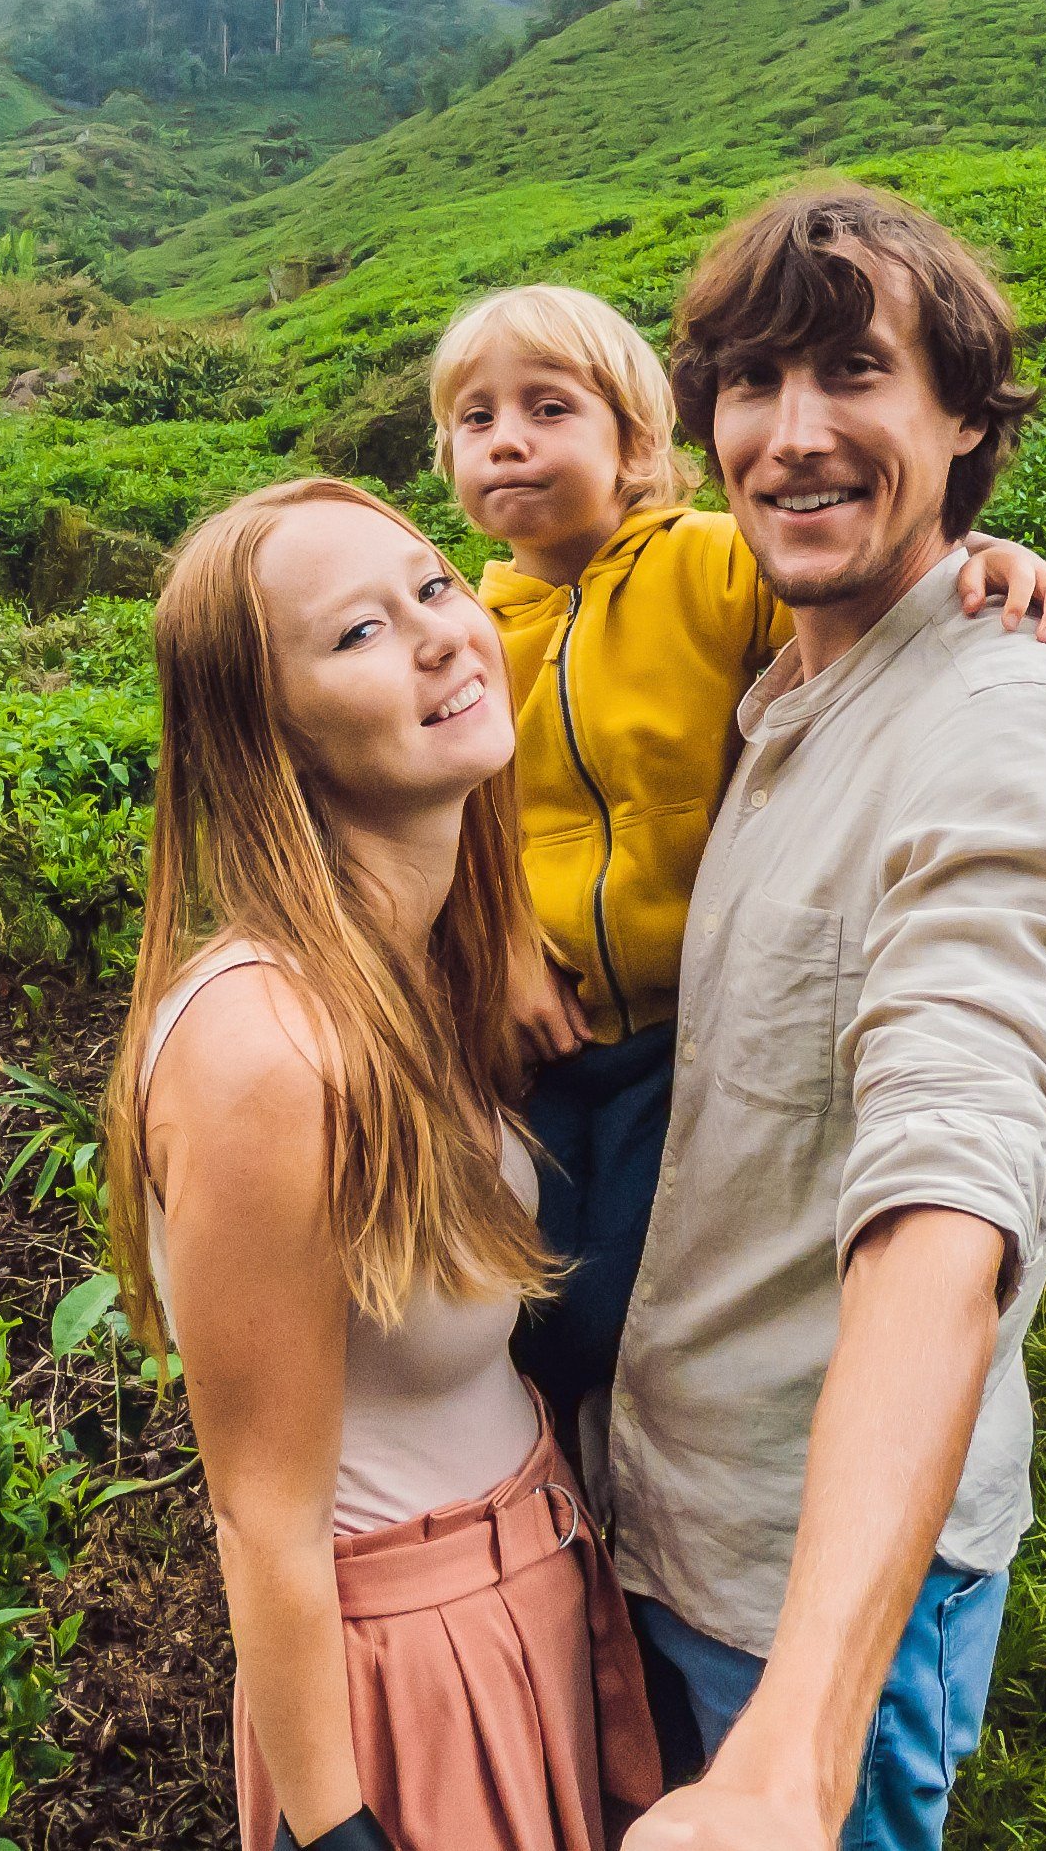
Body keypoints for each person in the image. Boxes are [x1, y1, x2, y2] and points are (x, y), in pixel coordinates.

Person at [607, 186, 1046, 1851]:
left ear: (969, 415)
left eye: (856, 370)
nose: (792, 432)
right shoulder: (776, 685)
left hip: (816, 1596)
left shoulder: (1002, 718)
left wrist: (800, 1744)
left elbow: (948, 1188)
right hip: (666, 1517)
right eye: (752, 381)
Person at [423, 284, 1046, 1460]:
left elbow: (867, 570)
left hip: (683, 1034)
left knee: (616, 1307)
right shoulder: (473, 626)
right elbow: (451, 821)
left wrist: (994, 561)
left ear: (637, 444)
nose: (509, 440)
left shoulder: (709, 560)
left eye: (547, 407)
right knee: (511, 1295)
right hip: (542, 1036)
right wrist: (497, 947)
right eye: (474, 419)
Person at [105, 476, 660, 1851]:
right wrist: (337, 1828)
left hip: (537, 1584)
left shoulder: (428, 975)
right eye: (357, 632)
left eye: (433, 585)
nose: (438, 636)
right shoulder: (265, 1046)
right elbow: (261, 1518)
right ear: (268, 733)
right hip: (409, 1672)